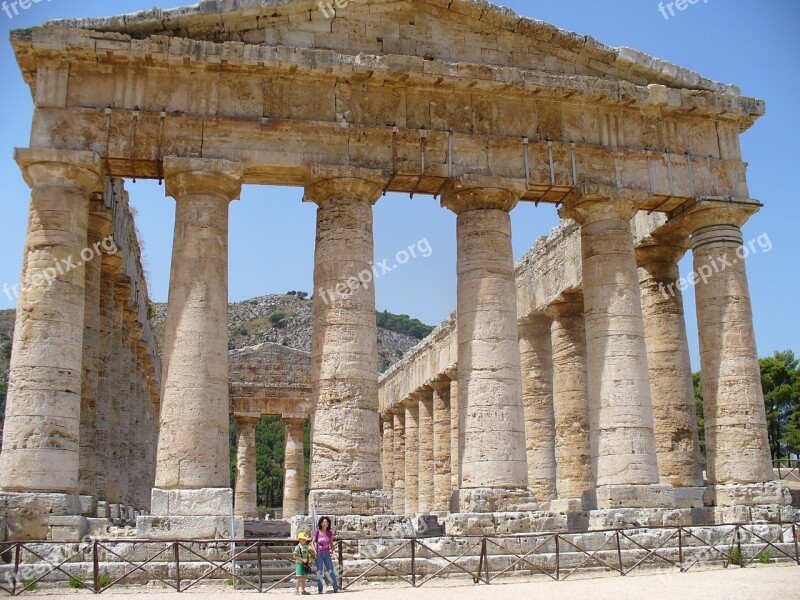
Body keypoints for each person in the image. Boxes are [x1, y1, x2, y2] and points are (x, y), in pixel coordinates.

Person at [311, 516, 339, 594]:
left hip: (327, 553)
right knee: (319, 571)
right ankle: (320, 589)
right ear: (321, 523)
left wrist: (334, 553)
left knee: (331, 570)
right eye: (324, 522)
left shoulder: (329, 533)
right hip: (319, 553)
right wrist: (314, 551)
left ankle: (335, 587)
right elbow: (312, 542)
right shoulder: (317, 532)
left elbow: (332, 545)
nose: (325, 523)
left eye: (327, 522)